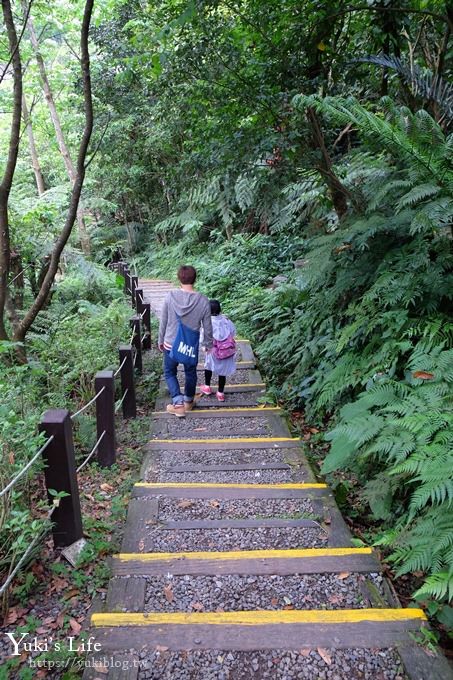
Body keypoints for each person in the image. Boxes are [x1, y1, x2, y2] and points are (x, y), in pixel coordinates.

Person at [158, 265, 213, 417]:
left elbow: (163, 321)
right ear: (195, 279)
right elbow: (207, 327)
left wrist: (160, 340)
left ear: (179, 278)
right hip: (189, 345)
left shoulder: (170, 296)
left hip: (170, 343)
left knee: (170, 372)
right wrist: (208, 344)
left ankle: (178, 404)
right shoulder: (203, 300)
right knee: (190, 373)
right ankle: (188, 401)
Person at [200, 299, 236, 402]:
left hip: (212, 350)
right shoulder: (226, 320)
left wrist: (204, 347)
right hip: (226, 351)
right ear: (220, 309)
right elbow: (233, 332)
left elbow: (204, 336)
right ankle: (220, 393)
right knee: (222, 372)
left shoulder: (207, 322)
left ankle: (207, 387)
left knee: (208, 366)